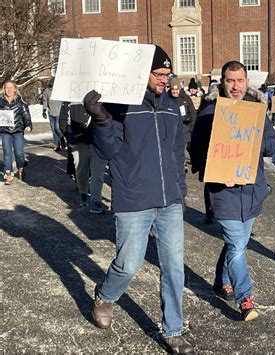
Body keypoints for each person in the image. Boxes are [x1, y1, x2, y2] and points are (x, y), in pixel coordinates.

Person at [82, 45, 194, 354]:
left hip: (169, 200)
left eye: (167, 74)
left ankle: (173, 330)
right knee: (129, 264)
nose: (164, 79)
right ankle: (105, 295)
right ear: (141, 74)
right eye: (158, 74)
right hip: (134, 199)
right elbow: (107, 152)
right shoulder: (120, 106)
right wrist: (102, 121)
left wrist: (180, 191)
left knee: (174, 268)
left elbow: (175, 153)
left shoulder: (172, 106)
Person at [189, 60, 275, 321]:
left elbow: (272, 147)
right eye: (230, 80)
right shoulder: (208, 114)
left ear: (247, 82)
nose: (235, 86)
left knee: (237, 243)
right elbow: (195, 153)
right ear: (222, 83)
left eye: (239, 80)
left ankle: (221, 279)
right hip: (223, 193)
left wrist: (253, 138)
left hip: (251, 191)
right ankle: (245, 298)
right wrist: (215, 170)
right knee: (237, 246)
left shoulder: (256, 112)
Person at [59, 102, 106, 214]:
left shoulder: (102, 97)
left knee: (97, 173)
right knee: (81, 170)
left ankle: (95, 201)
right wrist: (67, 133)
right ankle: (83, 193)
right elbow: (63, 118)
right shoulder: (70, 99)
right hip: (78, 141)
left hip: (98, 141)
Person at [0, 80, 32, 184]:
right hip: (5, 131)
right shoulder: (0, 102)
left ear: (15, 89)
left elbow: (26, 115)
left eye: (11, 88)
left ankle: (21, 167)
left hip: (18, 131)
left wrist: (28, 125)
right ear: (4, 89)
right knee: (7, 153)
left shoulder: (20, 102)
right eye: (7, 88)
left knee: (19, 153)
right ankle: (8, 172)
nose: (9, 90)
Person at [169, 77, 197, 172]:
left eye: (176, 89)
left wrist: (191, 125)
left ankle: (183, 163)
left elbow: (193, 113)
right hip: (172, 128)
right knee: (174, 147)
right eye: (173, 90)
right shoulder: (167, 98)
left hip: (184, 128)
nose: (175, 92)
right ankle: (179, 163)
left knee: (182, 147)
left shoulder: (186, 98)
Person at [40, 77, 66, 151]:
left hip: (59, 113)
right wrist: (44, 110)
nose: (52, 86)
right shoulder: (47, 91)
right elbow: (45, 101)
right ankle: (57, 145)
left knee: (58, 128)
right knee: (53, 129)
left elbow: (64, 101)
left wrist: (65, 109)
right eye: (51, 84)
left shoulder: (60, 91)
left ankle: (62, 139)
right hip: (51, 112)